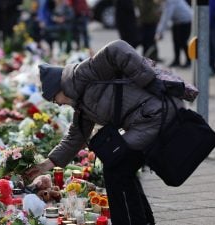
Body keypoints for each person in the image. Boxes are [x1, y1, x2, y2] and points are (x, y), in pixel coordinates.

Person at [24, 40, 184, 225]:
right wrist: (45, 165)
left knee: (117, 167)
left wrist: (148, 79)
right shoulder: (80, 104)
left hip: (153, 114)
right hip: (142, 121)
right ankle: (142, 220)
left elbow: (117, 48)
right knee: (122, 168)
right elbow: (75, 137)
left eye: (54, 99)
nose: (57, 104)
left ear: (60, 87)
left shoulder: (83, 74)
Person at [155, 0, 192, 68]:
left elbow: (166, 17)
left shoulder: (170, 2)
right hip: (177, 22)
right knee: (176, 42)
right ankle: (176, 60)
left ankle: (189, 61)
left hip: (186, 21)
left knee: (183, 42)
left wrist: (159, 32)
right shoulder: (166, 2)